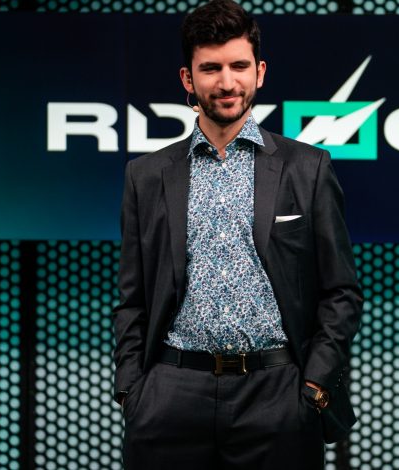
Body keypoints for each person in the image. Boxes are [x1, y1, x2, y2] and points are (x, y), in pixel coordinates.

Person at [111, 0, 363, 468]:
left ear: (259, 72)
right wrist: (132, 390)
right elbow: (133, 298)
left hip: (278, 393)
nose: (227, 83)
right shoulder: (146, 176)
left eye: (239, 66)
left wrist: (313, 384)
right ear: (188, 79)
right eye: (211, 68)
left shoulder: (307, 168)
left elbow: (341, 291)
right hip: (170, 394)